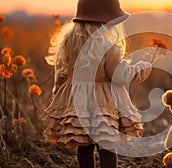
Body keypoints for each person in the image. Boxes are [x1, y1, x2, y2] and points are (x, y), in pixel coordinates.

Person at [43, 0, 152, 167]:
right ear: (106, 23)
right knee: (107, 147)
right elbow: (120, 77)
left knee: (84, 147)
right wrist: (142, 68)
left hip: (76, 104)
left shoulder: (67, 44)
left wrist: (59, 101)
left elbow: (60, 77)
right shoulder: (109, 48)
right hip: (103, 105)